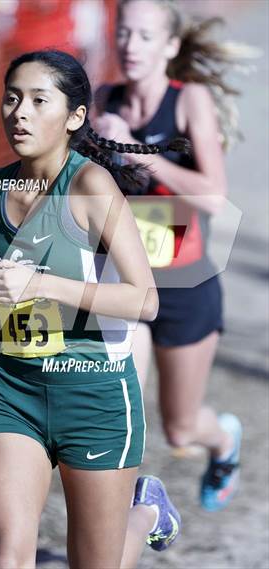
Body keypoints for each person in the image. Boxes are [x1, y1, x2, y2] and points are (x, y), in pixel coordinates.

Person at [0, 50, 186, 568]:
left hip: (96, 393)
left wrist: (42, 283)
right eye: (11, 98)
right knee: (8, 558)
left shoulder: (90, 186)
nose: (20, 112)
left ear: (74, 117)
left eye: (38, 100)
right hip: (17, 388)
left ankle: (145, 514)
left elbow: (145, 300)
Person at [92, 0, 253, 512]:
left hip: (187, 285)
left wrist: (138, 149)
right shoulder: (105, 99)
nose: (130, 46)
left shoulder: (189, 102)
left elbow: (212, 194)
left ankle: (223, 442)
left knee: (180, 427)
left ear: (170, 46)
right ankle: (121, 523)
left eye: (143, 36)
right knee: (120, 408)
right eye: (123, 34)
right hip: (129, 286)